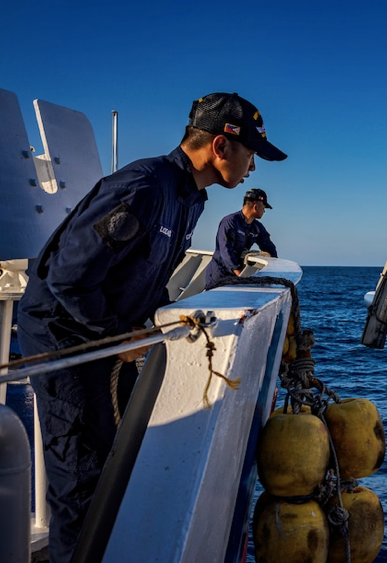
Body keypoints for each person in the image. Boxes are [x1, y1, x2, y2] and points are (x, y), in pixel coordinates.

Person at [15, 92, 287, 563]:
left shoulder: (189, 199)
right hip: (68, 339)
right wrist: (117, 334)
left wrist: (168, 318)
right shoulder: (144, 187)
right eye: (251, 153)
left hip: (105, 336)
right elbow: (67, 277)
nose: (253, 167)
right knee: (83, 481)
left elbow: (145, 274)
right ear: (221, 146)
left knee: (124, 457)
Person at [204, 188, 278, 289]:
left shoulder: (257, 228)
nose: (264, 211)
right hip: (219, 275)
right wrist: (239, 273)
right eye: (264, 207)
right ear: (255, 206)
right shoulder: (230, 222)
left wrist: (276, 268)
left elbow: (269, 248)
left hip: (237, 275)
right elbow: (226, 249)